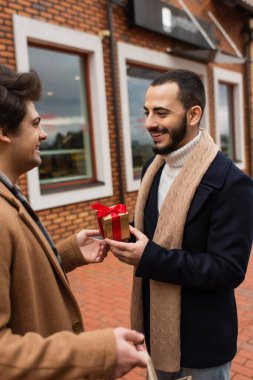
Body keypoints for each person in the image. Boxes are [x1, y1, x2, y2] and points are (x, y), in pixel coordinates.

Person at [0, 64, 147, 379]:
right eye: (35, 123)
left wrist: (65, 253)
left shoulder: (8, 193)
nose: (44, 134)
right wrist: (100, 352)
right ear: (4, 132)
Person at [106, 69, 253, 380]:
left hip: (201, 346)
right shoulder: (154, 166)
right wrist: (119, 232)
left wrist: (149, 257)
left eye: (161, 112)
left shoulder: (231, 183)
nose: (149, 124)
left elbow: (228, 269)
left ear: (193, 114)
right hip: (154, 335)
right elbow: (156, 230)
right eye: (147, 112)